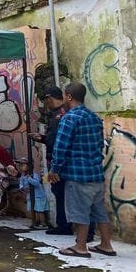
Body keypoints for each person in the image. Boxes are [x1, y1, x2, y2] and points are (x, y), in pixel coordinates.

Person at [49, 83, 117, 258]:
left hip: (77, 174)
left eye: (64, 95)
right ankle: (106, 245)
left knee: (79, 212)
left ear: (69, 97)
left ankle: (80, 246)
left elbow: (61, 147)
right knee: (99, 211)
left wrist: (54, 170)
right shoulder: (94, 118)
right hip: (96, 173)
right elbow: (99, 144)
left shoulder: (69, 118)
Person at [30, 86, 74, 236]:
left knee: (61, 194)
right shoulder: (64, 113)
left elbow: (57, 143)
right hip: (63, 161)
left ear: (49, 98)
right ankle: (65, 225)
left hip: (58, 162)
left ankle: (64, 225)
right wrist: (42, 138)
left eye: (45, 100)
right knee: (63, 194)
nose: (45, 104)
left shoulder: (60, 115)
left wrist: (55, 168)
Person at [17, 158, 50, 230]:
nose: (20, 166)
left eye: (22, 165)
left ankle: (43, 223)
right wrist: (22, 188)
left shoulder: (33, 175)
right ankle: (35, 222)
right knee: (32, 209)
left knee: (39, 210)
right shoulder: (22, 177)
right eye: (20, 165)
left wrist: (29, 179)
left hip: (38, 195)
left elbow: (37, 183)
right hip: (30, 196)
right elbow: (21, 185)